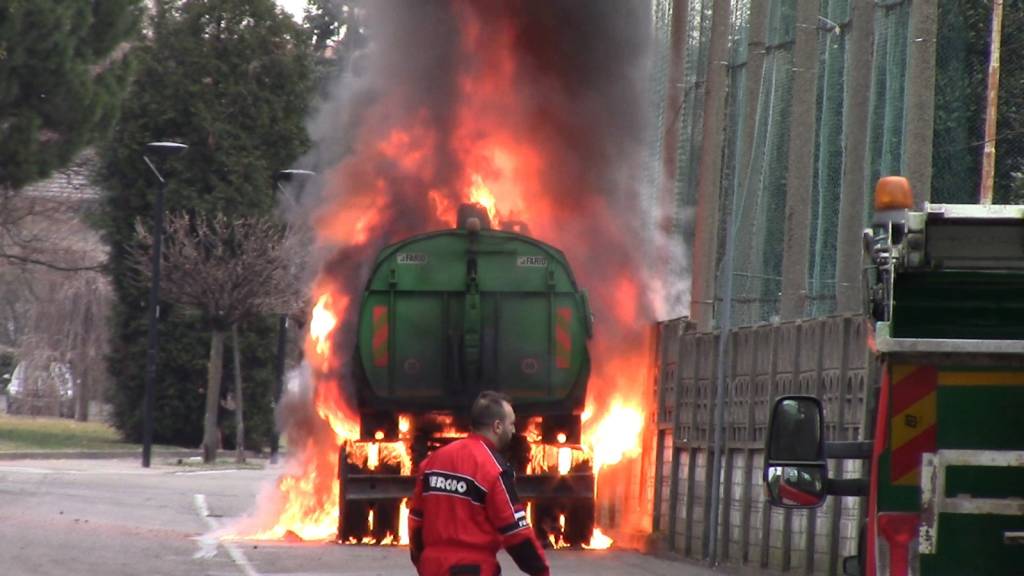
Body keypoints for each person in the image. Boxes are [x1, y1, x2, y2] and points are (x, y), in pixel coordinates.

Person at [409, 391, 550, 576]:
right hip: (473, 568)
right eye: (511, 424)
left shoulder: (432, 462)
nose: (514, 430)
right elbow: (516, 533)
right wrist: (541, 571)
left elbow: (416, 521)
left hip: (432, 567)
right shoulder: (493, 469)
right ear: (497, 426)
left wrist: (422, 560)